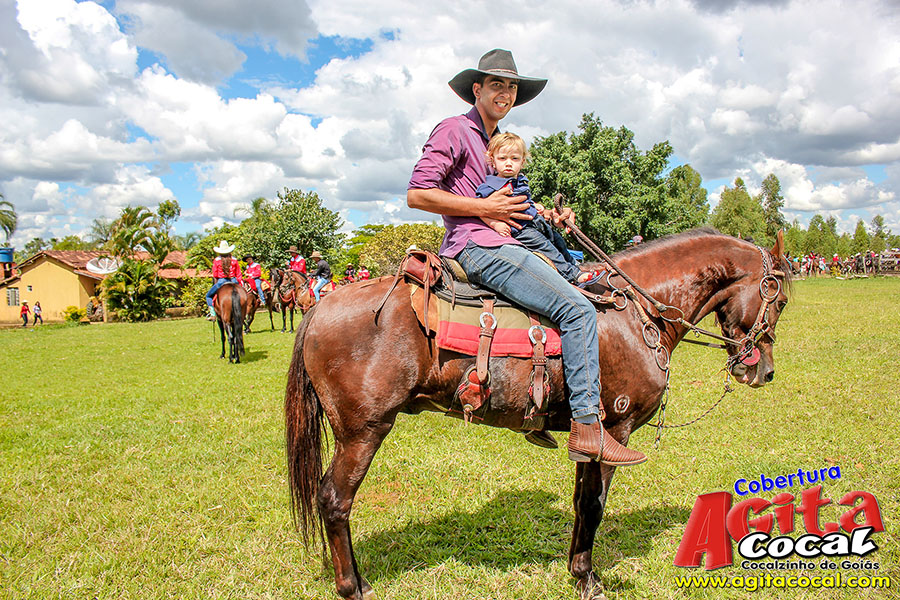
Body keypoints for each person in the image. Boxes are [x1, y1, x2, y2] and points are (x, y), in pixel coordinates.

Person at [407, 48, 645, 465]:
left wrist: (548, 216)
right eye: (496, 84)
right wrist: (486, 209)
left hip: (508, 241)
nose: (506, 92)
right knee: (577, 310)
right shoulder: (453, 130)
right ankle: (588, 428)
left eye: (512, 86)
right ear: (476, 89)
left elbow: (513, 205)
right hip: (479, 245)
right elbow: (417, 193)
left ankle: (538, 409)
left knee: (574, 288)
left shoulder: (498, 143)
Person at [475, 132, 598, 287]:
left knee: (558, 241)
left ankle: (575, 267)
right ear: (492, 160)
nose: (508, 163)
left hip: (537, 222)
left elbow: (521, 200)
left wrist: (534, 206)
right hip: (521, 230)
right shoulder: (490, 185)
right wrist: (495, 224)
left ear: (522, 161)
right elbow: (480, 209)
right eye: (502, 158)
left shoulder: (520, 180)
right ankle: (571, 275)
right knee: (546, 248)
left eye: (514, 158)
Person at [205, 241, 242, 320]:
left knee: (208, 296)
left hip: (222, 281)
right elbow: (238, 273)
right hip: (234, 280)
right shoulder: (234, 260)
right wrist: (239, 283)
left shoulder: (217, 260)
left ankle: (212, 314)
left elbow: (215, 274)